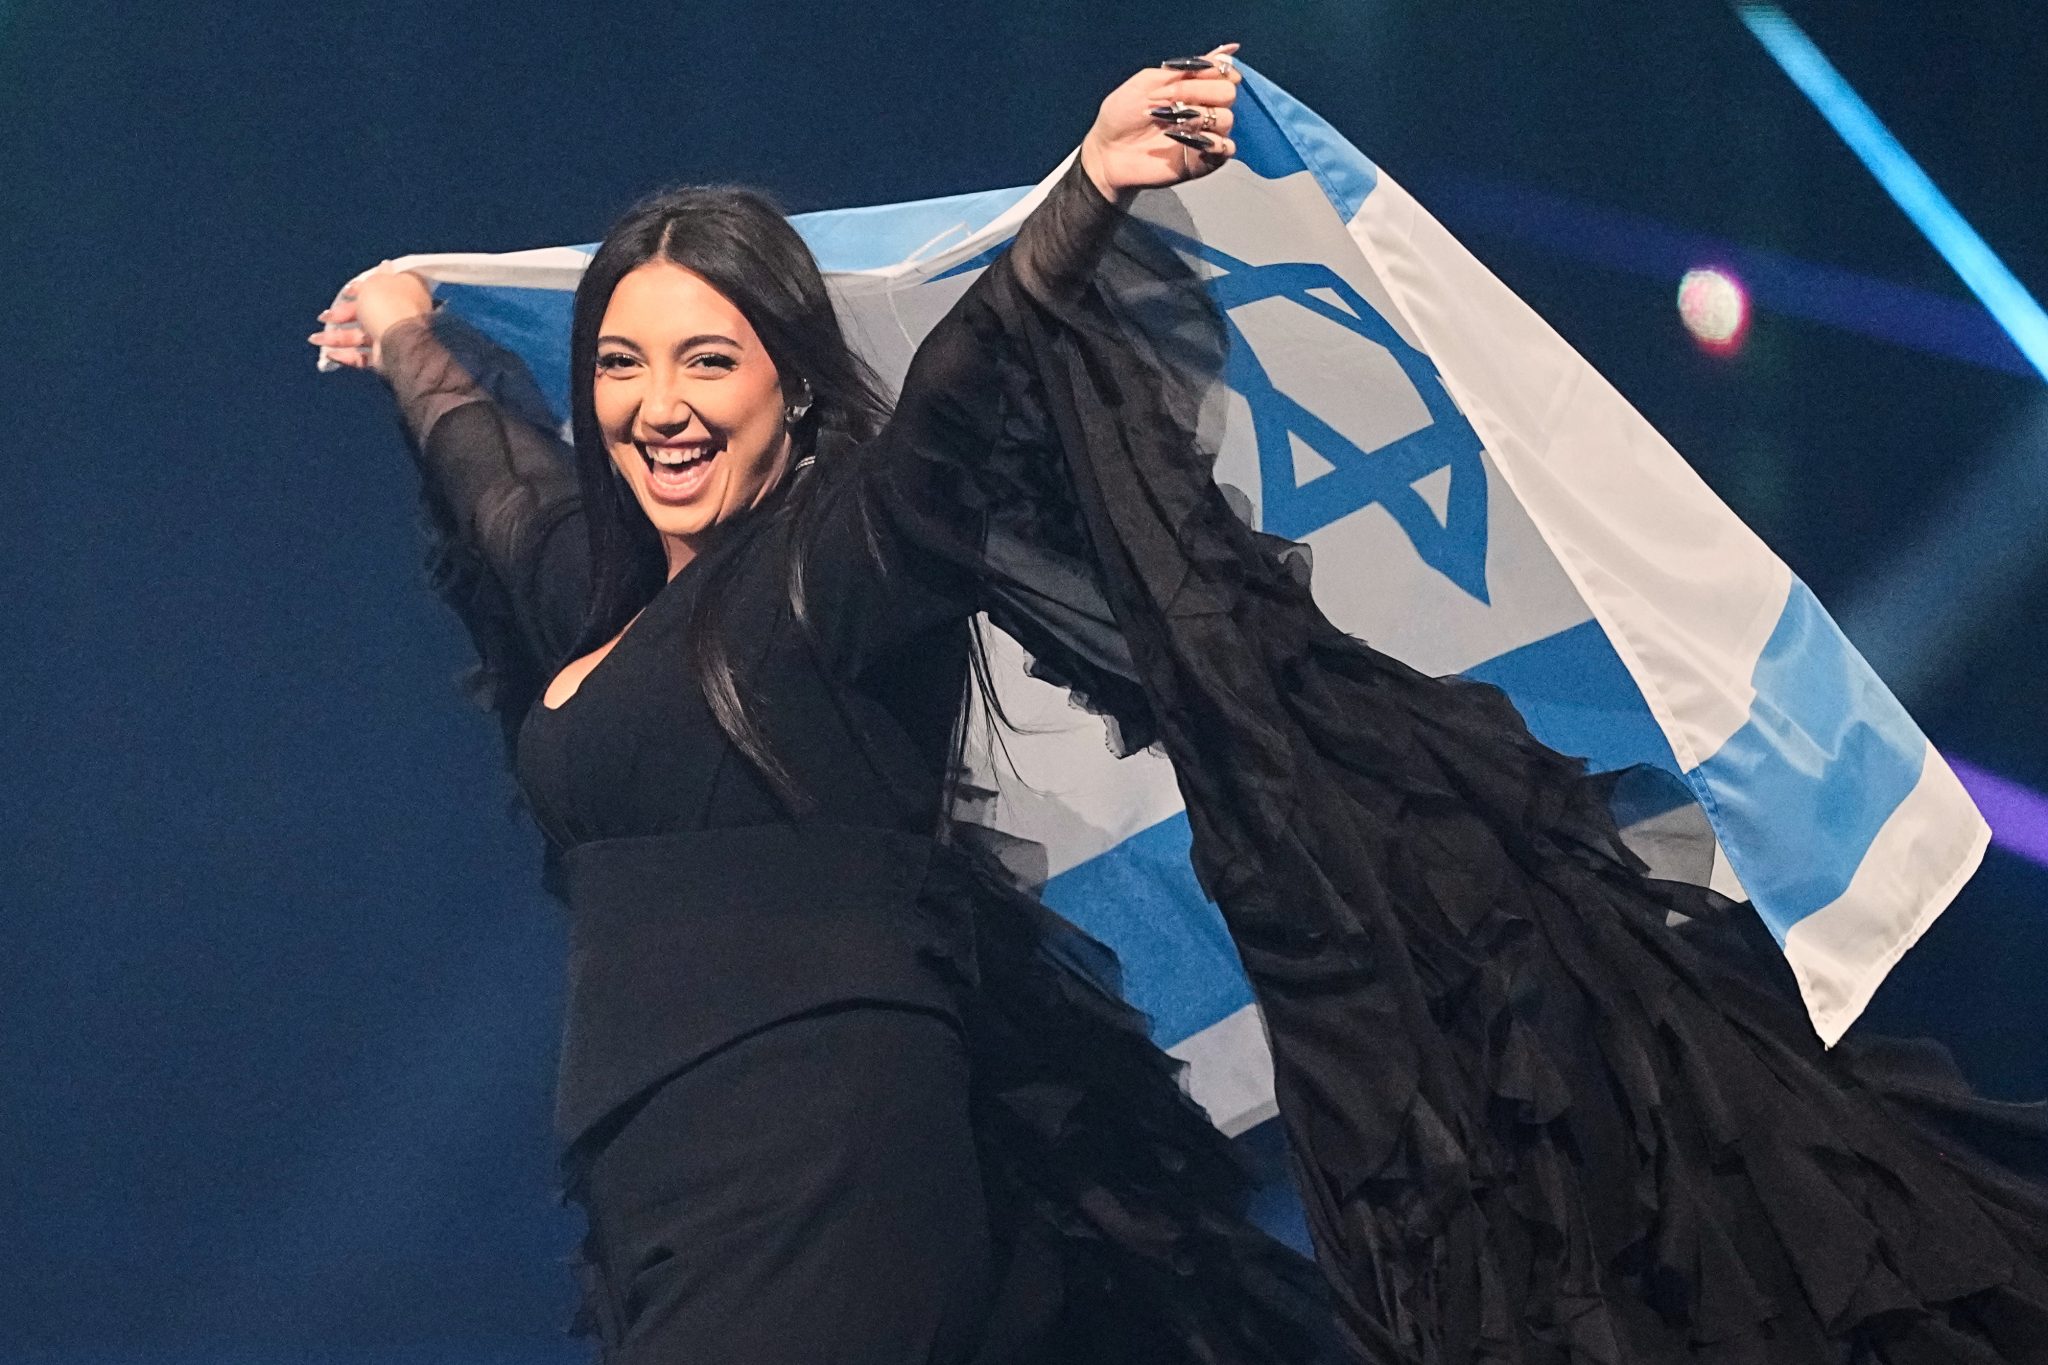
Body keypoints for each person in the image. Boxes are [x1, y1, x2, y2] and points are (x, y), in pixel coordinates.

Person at [312, 42, 2048, 1365]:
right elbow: (497, 480)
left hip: (825, 1159)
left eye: (710, 359)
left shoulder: (838, 564)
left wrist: (1088, 189)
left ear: (793, 388)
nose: (658, 404)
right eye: (622, 362)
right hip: (653, 1178)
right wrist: (405, 337)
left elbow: (963, 394)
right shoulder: (607, 608)